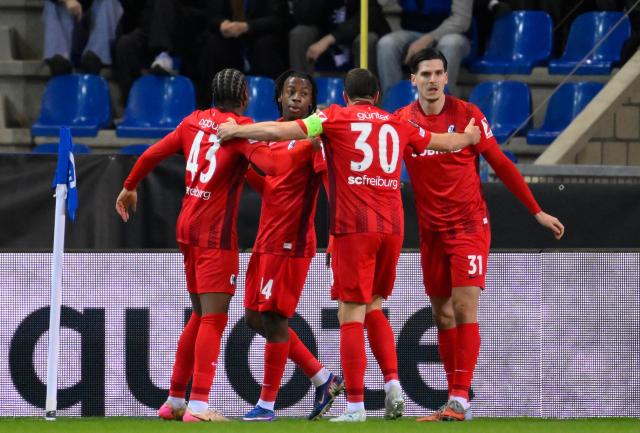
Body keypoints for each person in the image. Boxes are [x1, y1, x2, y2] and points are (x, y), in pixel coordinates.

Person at [217, 68, 481, 422]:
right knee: (374, 305)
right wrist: (468, 138)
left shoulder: (334, 118)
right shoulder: (396, 122)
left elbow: (282, 130)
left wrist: (238, 130)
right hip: (393, 229)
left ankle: (355, 405)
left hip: (355, 226)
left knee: (350, 314)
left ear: (344, 95)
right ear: (377, 96)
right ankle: (392, 385)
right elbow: (441, 142)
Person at [114, 68, 311, 422]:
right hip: (215, 234)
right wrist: (308, 140)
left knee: (200, 315)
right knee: (214, 319)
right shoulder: (237, 129)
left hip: (187, 227)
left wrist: (130, 186)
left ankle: (175, 400)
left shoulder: (194, 122)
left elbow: (153, 154)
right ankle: (200, 406)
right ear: (245, 98)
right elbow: (274, 164)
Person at [394, 48, 565, 422]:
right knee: (441, 315)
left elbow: (501, 164)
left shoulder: (469, 116)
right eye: (426, 74)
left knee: (463, 306)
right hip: (430, 230)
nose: (434, 80)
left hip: (469, 225)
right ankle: (454, 398)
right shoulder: (402, 122)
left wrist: (536, 210)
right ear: (413, 80)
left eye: (439, 72)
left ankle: (459, 399)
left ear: (446, 77)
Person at [241, 70, 344, 422]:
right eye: (291, 91)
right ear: (279, 99)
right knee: (254, 317)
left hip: (292, 243)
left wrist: (334, 234)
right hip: (265, 239)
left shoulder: (313, 141)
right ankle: (323, 378)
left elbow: (330, 184)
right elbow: (272, 187)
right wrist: (245, 170)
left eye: (304, 92)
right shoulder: (270, 135)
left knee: (273, 317)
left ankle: (267, 406)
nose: (297, 97)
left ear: (312, 102)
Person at [196, 0, 289, 107]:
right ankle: (210, 104)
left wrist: (247, 26)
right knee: (211, 43)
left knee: (265, 46)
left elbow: (277, 20)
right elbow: (209, 15)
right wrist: (221, 24)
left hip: (259, 35)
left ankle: (268, 103)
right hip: (229, 38)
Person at [376, 0, 472, 95]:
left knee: (450, 43)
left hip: (450, 34)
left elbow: (461, 20)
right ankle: (393, 101)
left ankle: (443, 100)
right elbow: (383, 3)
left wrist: (427, 39)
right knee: (387, 43)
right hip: (412, 31)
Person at [288, 0, 390, 75]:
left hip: (356, 33)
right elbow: (302, 15)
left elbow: (371, 15)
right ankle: (302, 89)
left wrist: (330, 39)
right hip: (325, 30)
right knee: (300, 34)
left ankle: (364, 95)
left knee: (367, 39)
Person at [43, 0, 123, 75]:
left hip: (97, 21)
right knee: (51, 4)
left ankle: (96, 56)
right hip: (72, 23)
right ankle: (60, 59)